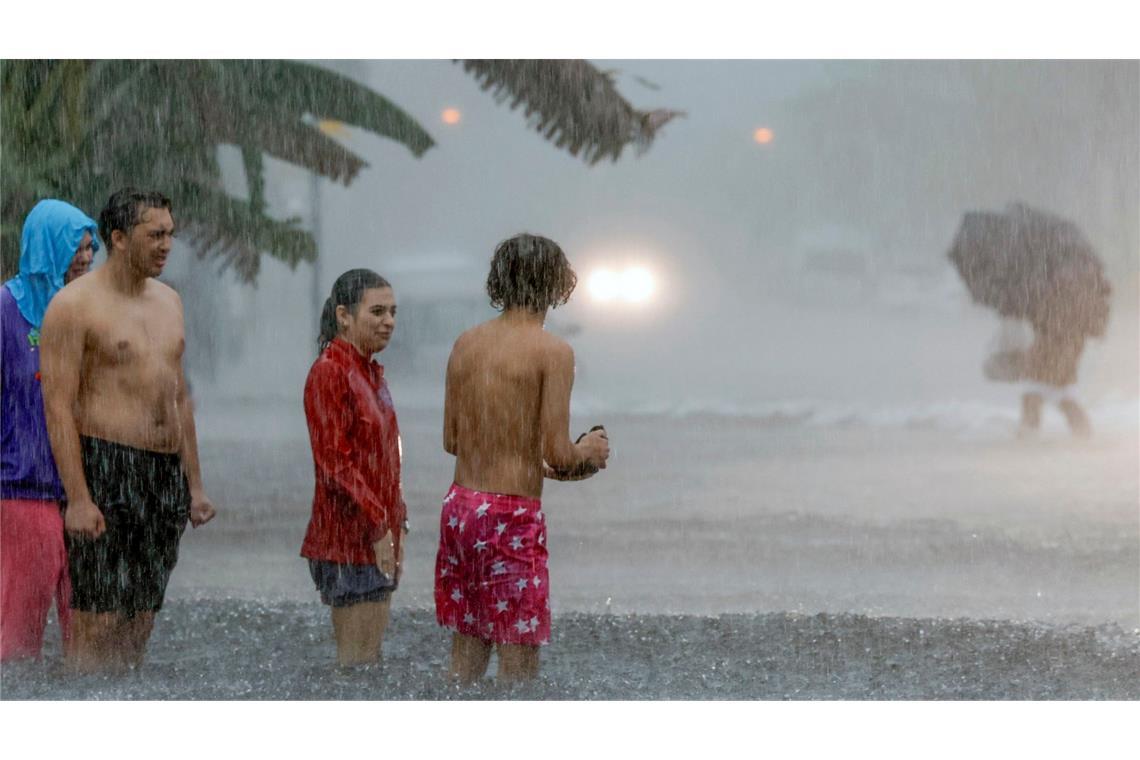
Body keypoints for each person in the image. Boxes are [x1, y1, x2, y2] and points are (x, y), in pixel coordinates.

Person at [39, 188, 216, 673]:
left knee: (141, 616)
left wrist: (194, 486)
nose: (166, 244)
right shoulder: (73, 307)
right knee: (97, 619)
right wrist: (78, 497)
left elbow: (179, 398)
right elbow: (57, 407)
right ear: (118, 238)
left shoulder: (170, 301)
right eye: (154, 234)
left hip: (162, 476)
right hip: (106, 467)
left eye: (170, 234)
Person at [434, 233, 610, 684]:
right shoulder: (553, 352)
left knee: (468, 647)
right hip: (509, 515)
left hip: (460, 509)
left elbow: (453, 439)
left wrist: (519, 450)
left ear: (500, 281)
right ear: (557, 287)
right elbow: (556, 451)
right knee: (519, 657)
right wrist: (587, 450)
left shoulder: (466, 344)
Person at [1, 200, 97, 661]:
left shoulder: (88, 314)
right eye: (74, 247)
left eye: (89, 248)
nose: (85, 258)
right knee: (17, 639)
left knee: (90, 641)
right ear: (45, 249)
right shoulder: (5, 311)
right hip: (21, 492)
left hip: (83, 495)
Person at [301, 268, 407, 667]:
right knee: (356, 665)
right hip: (345, 537)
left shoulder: (370, 371)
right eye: (377, 311)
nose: (389, 321)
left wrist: (400, 521)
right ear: (344, 315)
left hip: (376, 532)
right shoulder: (330, 371)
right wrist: (379, 523)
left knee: (370, 662)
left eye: (393, 312)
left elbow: (385, 457)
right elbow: (334, 462)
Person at [1018, 326, 1092, 437]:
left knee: (1063, 399)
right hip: (1046, 368)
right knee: (1034, 398)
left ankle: (1083, 433)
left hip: (1054, 370)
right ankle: (1028, 432)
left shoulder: (1066, 335)